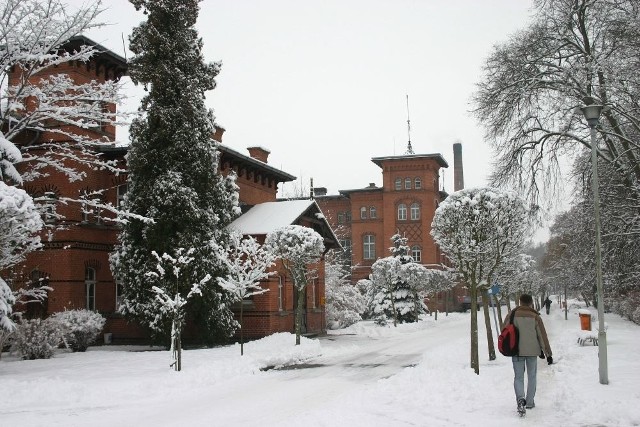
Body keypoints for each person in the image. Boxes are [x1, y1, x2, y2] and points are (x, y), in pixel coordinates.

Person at [504, 294, 553, 416]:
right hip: (532, 351)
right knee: (532, 376)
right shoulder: (535, 316)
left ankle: (520, 399)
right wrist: (548, 353)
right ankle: (530, 402)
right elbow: (542, 336)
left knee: (518, 377)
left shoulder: (512, 314)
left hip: (517, 351)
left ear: (520, 302)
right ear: (531, 303)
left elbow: (504, 330)